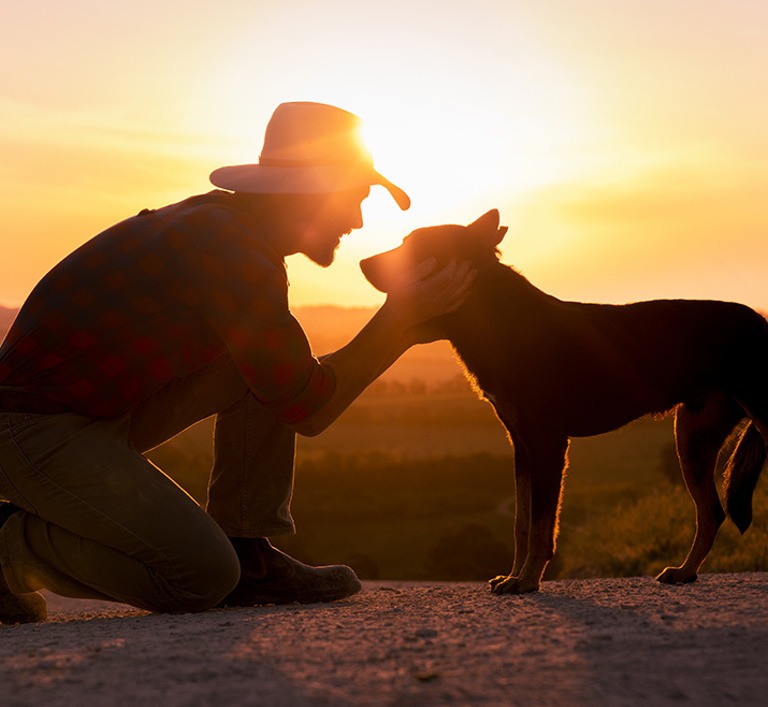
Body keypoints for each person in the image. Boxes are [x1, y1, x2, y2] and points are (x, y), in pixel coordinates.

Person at [0, 102, 474, 623]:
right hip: (28, 429)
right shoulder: (230, 248)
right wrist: (399, 319)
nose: (357, 221)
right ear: (312, 193)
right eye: (354, 199)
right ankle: (6, 550)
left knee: (258, 367)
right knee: (199, 575)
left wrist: (402, 328)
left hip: (83, 417)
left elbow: (286, 383)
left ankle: (249, 554)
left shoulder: (228, 230)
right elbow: (309, 409)